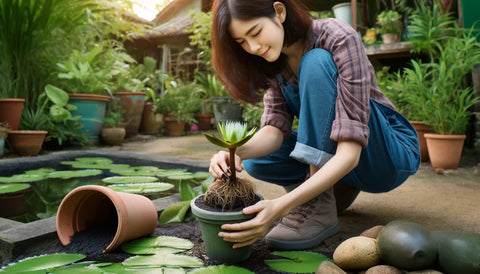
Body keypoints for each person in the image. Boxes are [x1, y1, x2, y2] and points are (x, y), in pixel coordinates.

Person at [208, 0, 420, 250]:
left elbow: (350, 153)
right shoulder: (273, 60)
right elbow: (274, 131)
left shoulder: (337, 37)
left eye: (255, 32)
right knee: (256, 159)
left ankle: (317, 207)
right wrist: (234, 152)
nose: (253, 47)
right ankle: (333, 189)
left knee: (315, 62)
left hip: (387, 155)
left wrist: (282, 207)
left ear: (279, 11)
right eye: (242, 41)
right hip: (343, 158)